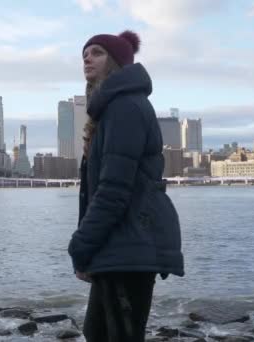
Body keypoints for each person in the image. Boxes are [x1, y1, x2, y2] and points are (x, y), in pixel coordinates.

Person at [67, 31, 184, 342]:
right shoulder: (110, 111)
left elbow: (114, 190)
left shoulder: (125, 108)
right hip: (119, 244)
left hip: (130, 244)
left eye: (97, 53)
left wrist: (81, 246)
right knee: (99, 332)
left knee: (118, 334)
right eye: (84, 54)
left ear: (116, 62)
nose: (87, 59)